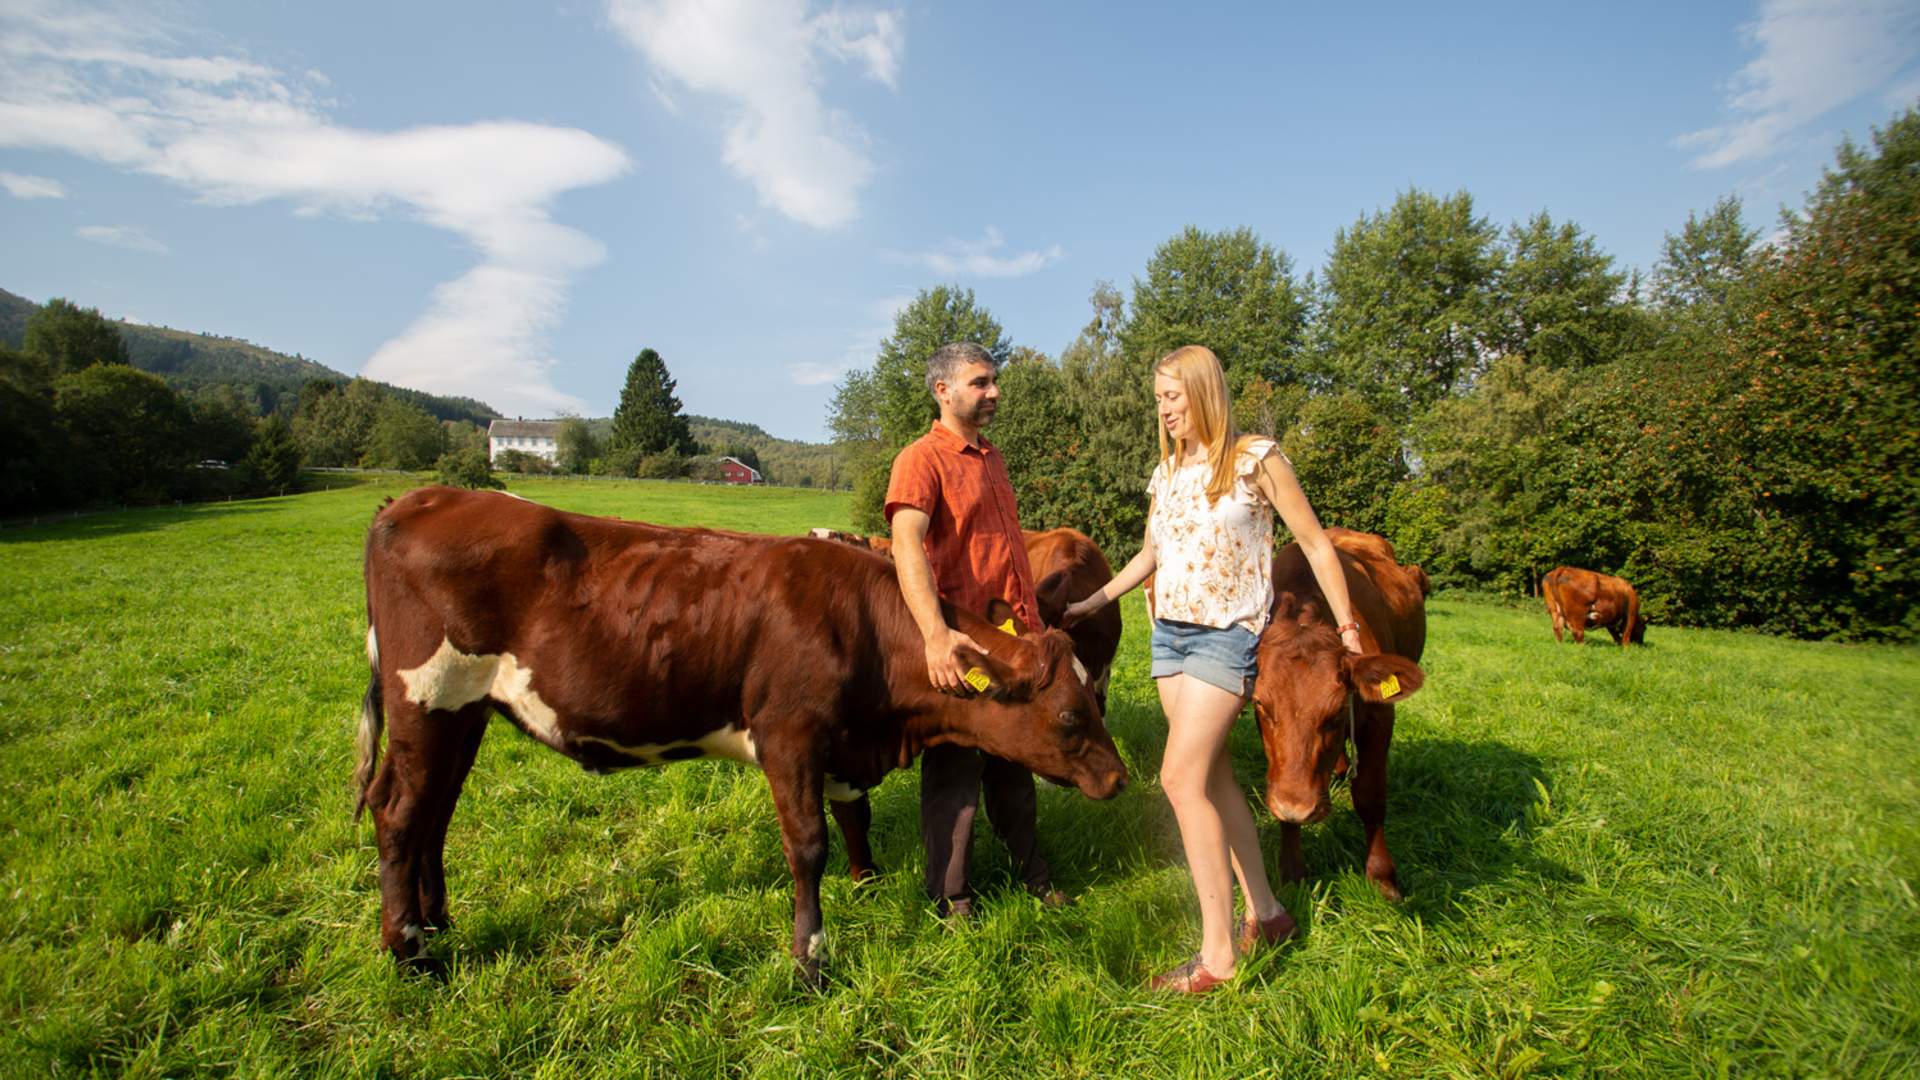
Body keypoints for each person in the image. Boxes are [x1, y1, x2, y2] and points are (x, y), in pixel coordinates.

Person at [1062, 344, 1363, 992]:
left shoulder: (1257, 459)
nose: (1164, 409)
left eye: (1173, 396)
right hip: (1169, 637)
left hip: (1227, 639)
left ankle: (1219, 957)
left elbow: (1313, 541)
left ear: (1204, 391)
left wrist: (1347, 627)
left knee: (1177, 778)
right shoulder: (1166, 474)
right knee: (1214, 777)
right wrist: (1094, 600)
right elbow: (1150, 554)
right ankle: (1271, 912)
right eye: (1159, 398)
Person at [885, 341, 1063, 918]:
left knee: (1017, 763)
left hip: (1013, 643)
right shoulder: (922, 459)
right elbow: (906, 543)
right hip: (964, 646)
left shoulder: (991, 457)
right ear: (943, 391)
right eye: (980, 383)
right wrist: (935, 636)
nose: (994, 392)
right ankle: (951, 897)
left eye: (993, 381)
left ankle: (1030, 873)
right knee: (956, 773)